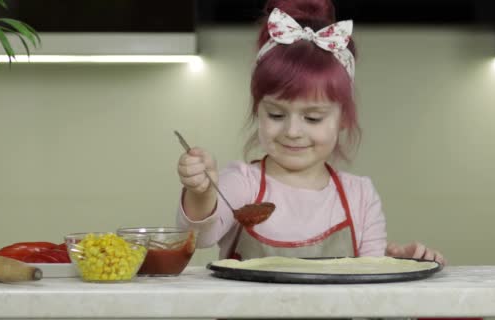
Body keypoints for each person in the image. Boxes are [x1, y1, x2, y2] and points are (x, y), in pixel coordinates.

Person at [176, 0, 446, 266]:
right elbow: (200, 239)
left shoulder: (360, 196)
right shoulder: (242, 184)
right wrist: (201, 193)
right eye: (276, 115)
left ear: (343, 118)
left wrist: (397, 263)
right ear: (258, 111)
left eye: (313, 118)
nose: (292, 131)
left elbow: (370, 288)